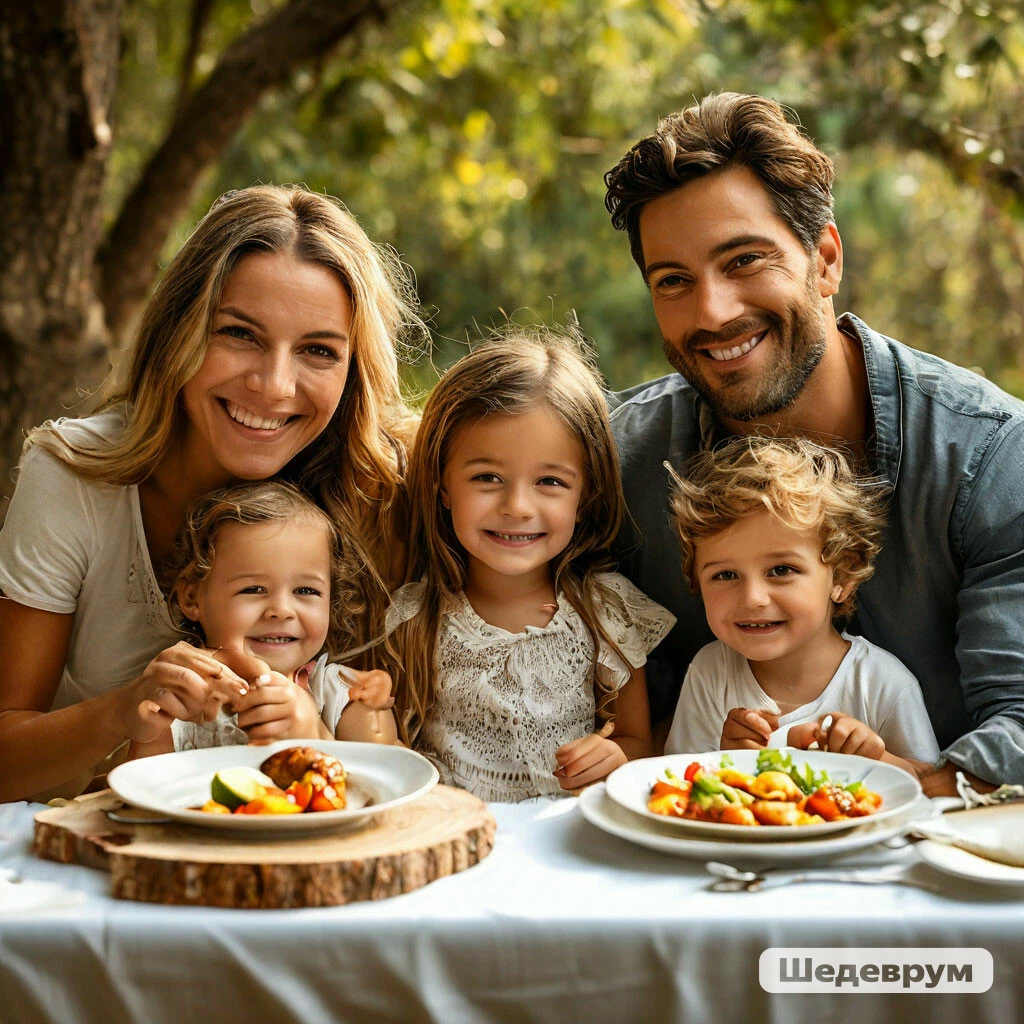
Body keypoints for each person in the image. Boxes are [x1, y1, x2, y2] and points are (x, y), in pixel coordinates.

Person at [604, 91, 1024, 791]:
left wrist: (868, 787)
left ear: (825, 260)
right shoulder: (617, 459)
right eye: (674, 280)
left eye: (743, 261)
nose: (713, 311)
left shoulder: (989, 456)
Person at [0, 185, 424, 802]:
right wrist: (123, 710)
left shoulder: (377, 495)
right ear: (179, 331)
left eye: (317, 351)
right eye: (240, 335)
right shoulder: (74, 476)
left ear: (352, 369)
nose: (275, 387)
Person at [382, 331, 675, 801]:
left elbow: (635, 740)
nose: (517, 506)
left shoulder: (606, 612)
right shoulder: (415, 617)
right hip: (458, 841)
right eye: (487, 477)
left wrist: (614, 757)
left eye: (550, 481)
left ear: (586, 497)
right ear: (442, 486)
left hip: (568, 843)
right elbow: (391, 743)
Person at [663, 436, 940, 775]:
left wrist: (876, 762)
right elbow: (678, 785)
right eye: (725, 575)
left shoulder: (882, 683)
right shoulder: (710, 672)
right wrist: (727, 761)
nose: (752, 598)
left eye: (781, 570)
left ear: (842, 575)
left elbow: (931, 789)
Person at [131, 481, 397, 758]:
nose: (281, 610)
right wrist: (148, 730)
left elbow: (391, 782)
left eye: (306, 591)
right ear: (191, 599)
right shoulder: (179, 698)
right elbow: (139, 787)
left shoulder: (346, 694)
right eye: (253, 589)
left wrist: (313, 734)